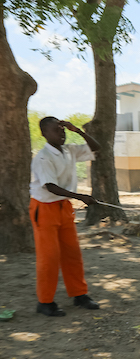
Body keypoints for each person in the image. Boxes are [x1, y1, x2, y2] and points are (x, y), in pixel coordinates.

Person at [29, 117, 102, 317]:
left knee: (72, 253)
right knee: (49, 257)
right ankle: (45, 302)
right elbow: (50, 186)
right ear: (44, 134)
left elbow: (97, 148)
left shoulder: (68, 150)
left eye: (62, 130)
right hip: (44, 208)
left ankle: (79, 294)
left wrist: (77, 130)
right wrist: (81, 197)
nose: (61, 133)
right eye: (55, 130)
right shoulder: (43, 157)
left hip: (63, 207)